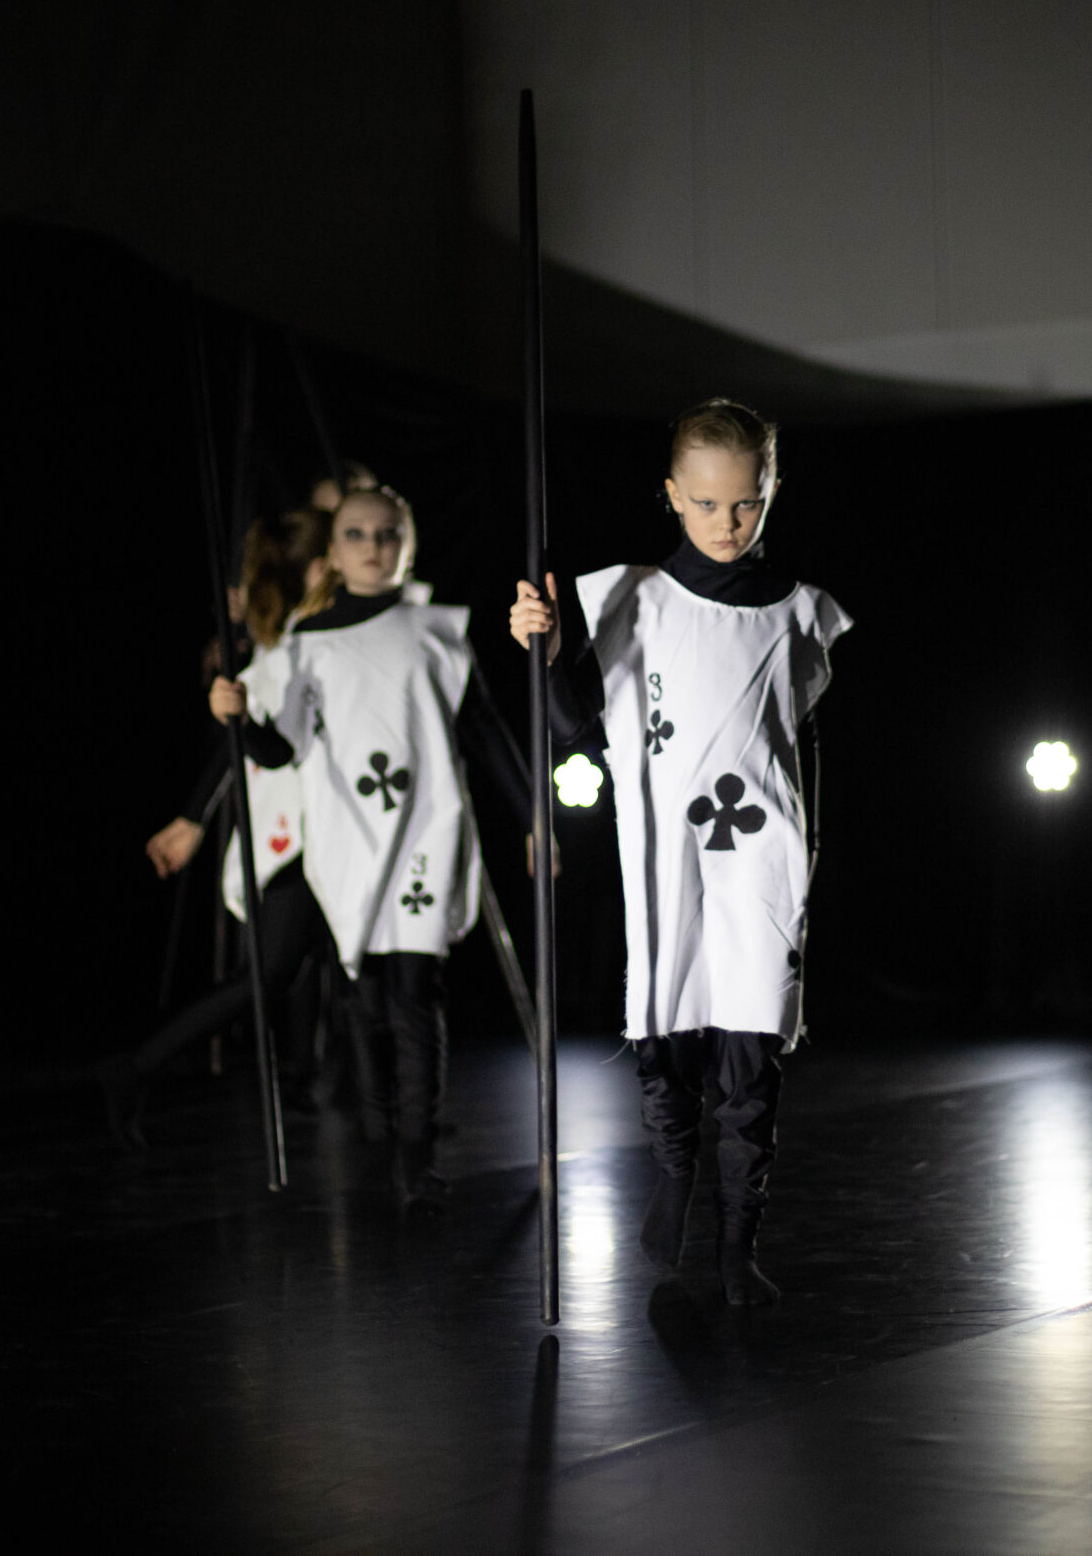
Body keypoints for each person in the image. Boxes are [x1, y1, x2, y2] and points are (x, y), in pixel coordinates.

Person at [510, 399, 850, 1306]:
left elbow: (803, 734)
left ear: (771, 490)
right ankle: (673, 1166)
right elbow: (578, 730)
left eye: (745, 502)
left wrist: (810, 846)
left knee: (751, 1041)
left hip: (762, 849)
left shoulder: (798, 611)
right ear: (671, 494)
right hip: (669, 849)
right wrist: (547, 652)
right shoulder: (636, 601)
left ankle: (739, 1242)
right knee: (665, 1020)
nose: (726, 522)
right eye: (705, 504)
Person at [213, 486, 530, 1206]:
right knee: (364, 992)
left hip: (423, 826)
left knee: (416, 990)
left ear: (408, 545)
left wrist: (532, 815)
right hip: (347, 834)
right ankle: (380, 1133)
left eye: (388, 533)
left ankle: (415, 1156)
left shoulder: (438, 631)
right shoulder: (307, 642)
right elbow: (280, 749)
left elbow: (483, 729)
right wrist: (240, 719)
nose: (373, 547)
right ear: (333, 549)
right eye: (356, 533)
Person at [107, 506, 339, 1149]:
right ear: (315, 568)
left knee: (309, 965)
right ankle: (135, 1068)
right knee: (270, 972)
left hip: (326, 825)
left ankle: (327, 1082)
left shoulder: (311, 640)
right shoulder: (284, 653)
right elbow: (253, 741)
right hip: (293, 832)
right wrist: (193, 816)